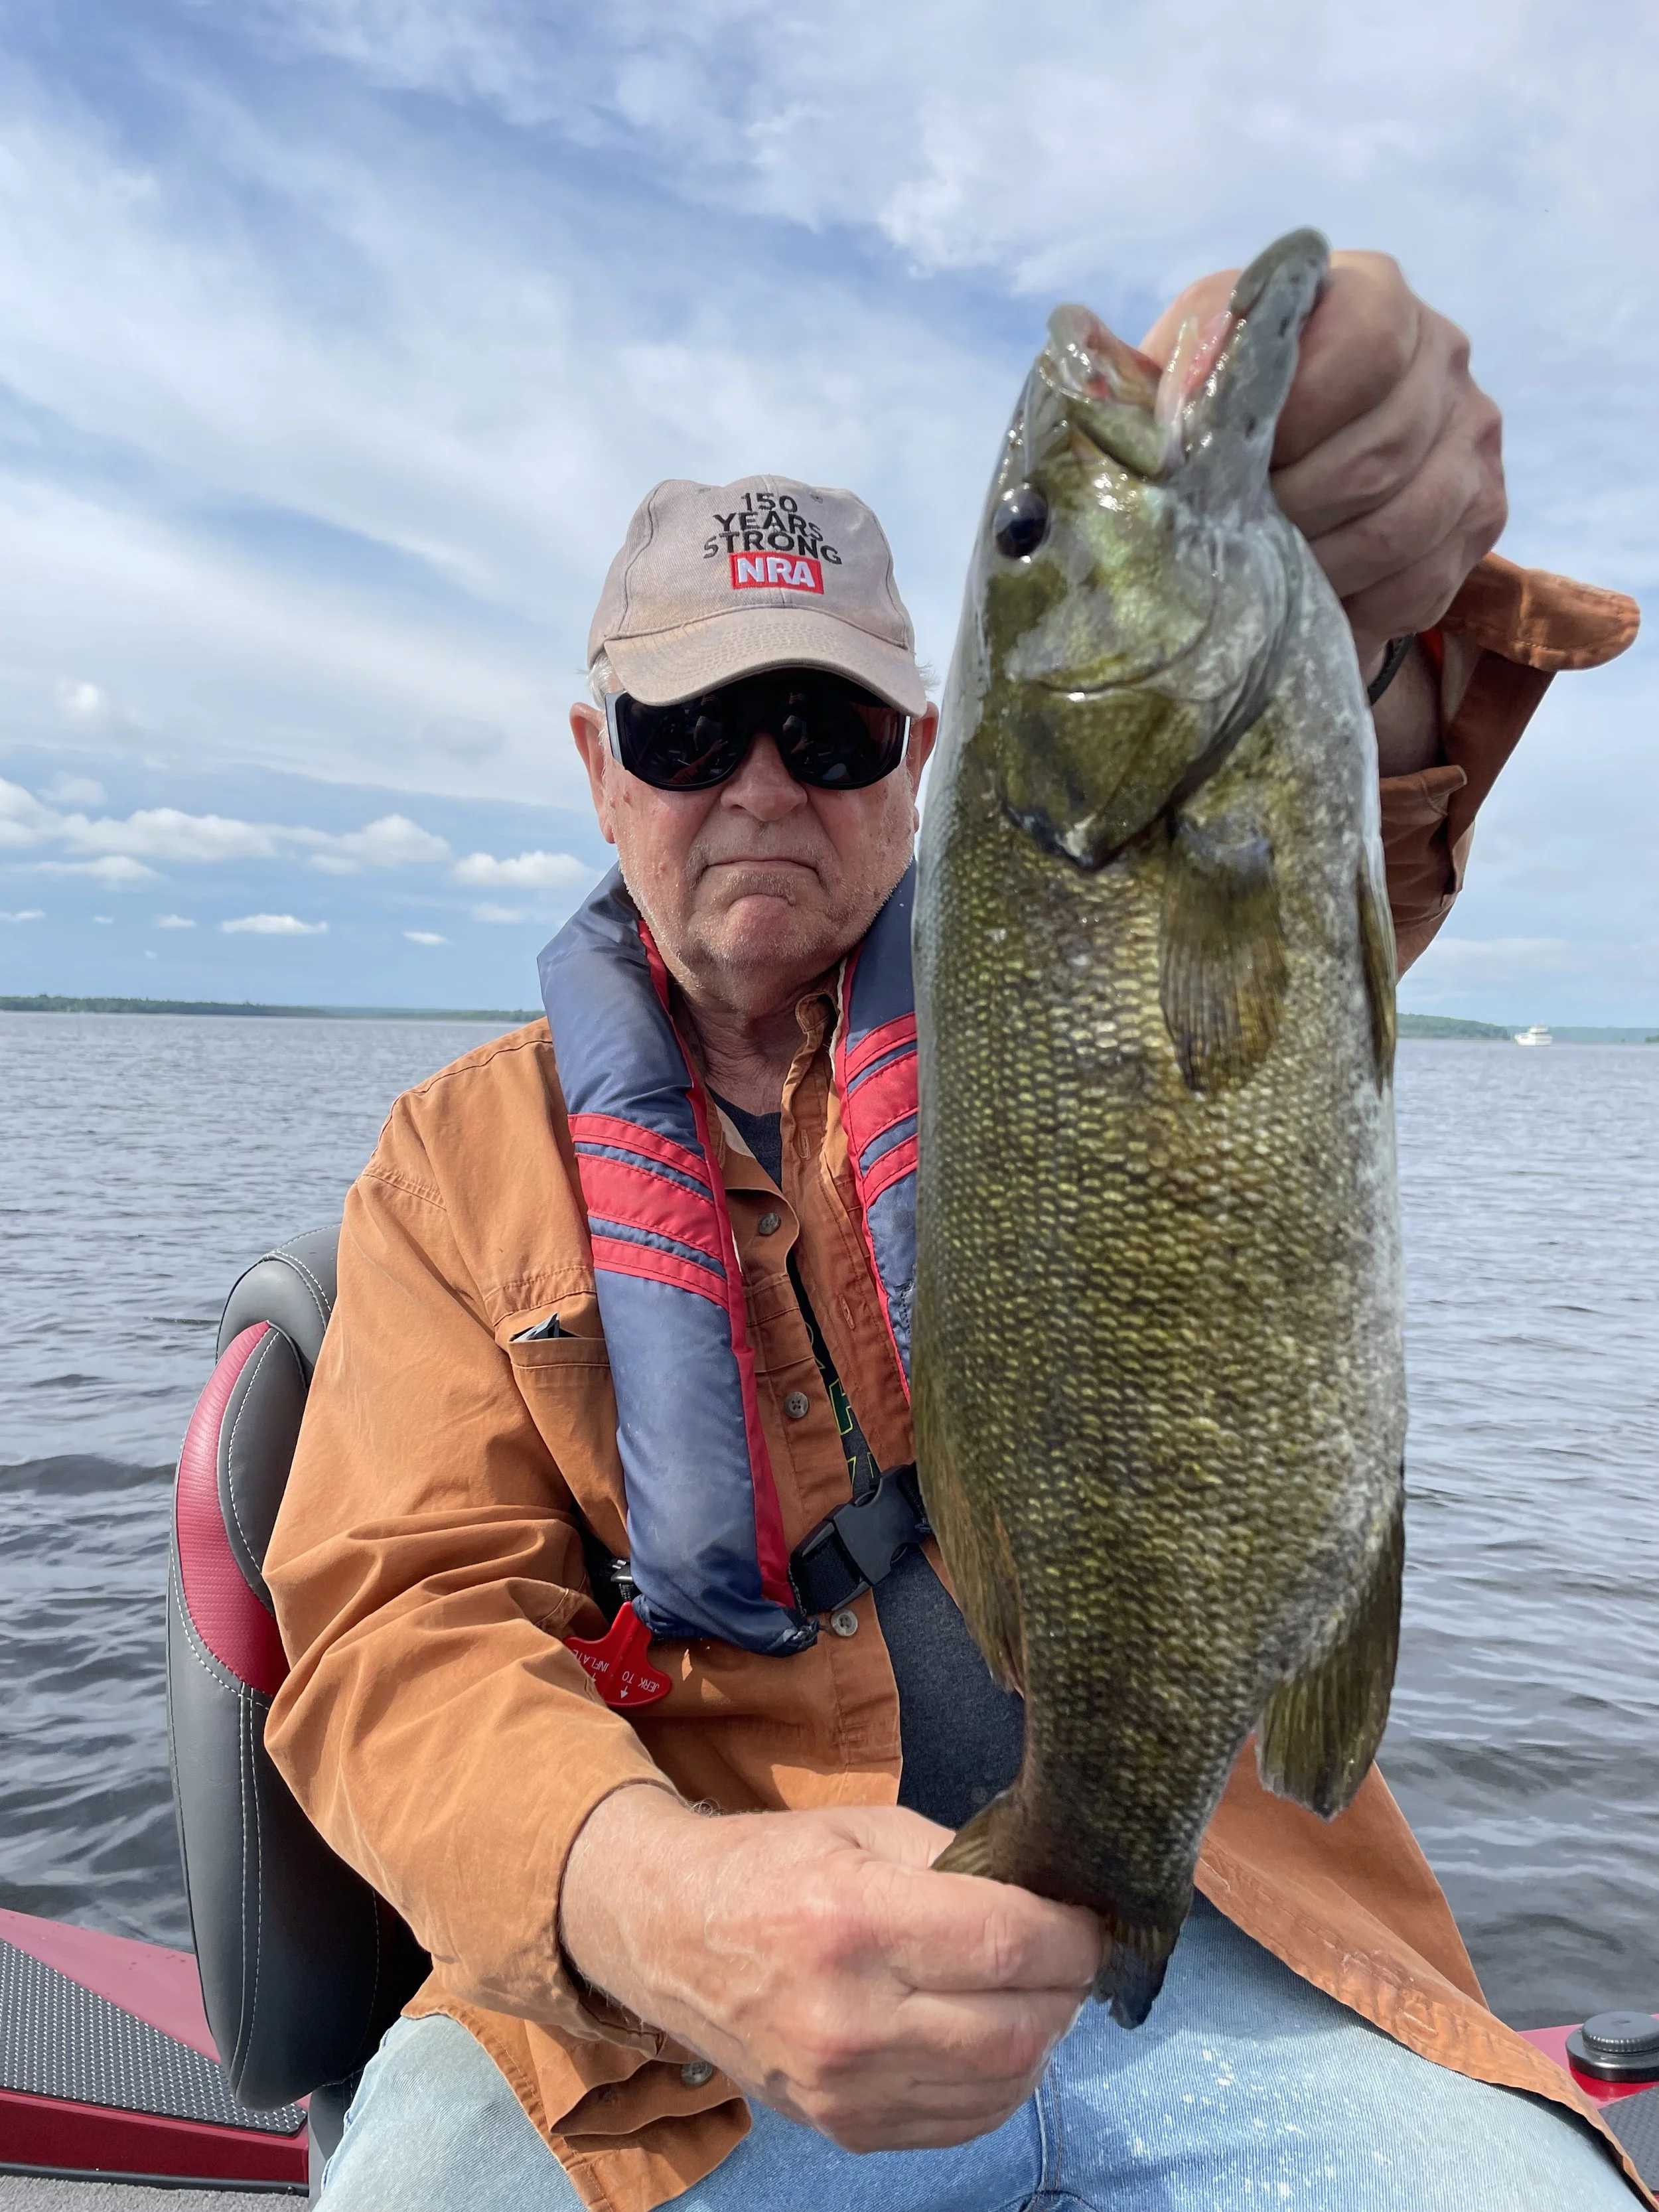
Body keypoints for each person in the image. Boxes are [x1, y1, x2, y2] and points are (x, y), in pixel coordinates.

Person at [265, 253, 1642, 2209]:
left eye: (821, 729)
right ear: (597, 766)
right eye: (685, 730)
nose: (756, 786)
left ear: (920, 759)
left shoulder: (1070, 943)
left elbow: (1337, 837)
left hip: (1211, 1928)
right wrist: (648, 1893)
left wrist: (1364, 518)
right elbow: (399, 1630)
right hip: (701, 2031)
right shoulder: (450, 1165)